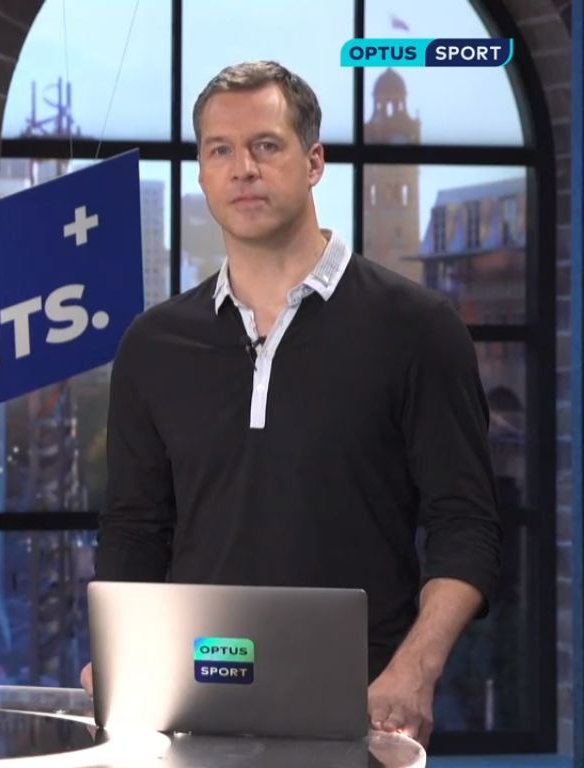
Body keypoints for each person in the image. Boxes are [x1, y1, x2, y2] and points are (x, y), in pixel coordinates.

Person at [82, 61, 501, 747]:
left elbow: (467, 525)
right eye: (220, 150)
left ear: (314, 163)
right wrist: (114, 656)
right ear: (202, 173)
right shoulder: (154, 345)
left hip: (363, 715)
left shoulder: (418, 329)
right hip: (190, 712)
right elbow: (134, 528)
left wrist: (415, 671)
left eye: (266, 146)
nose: (242, 168)